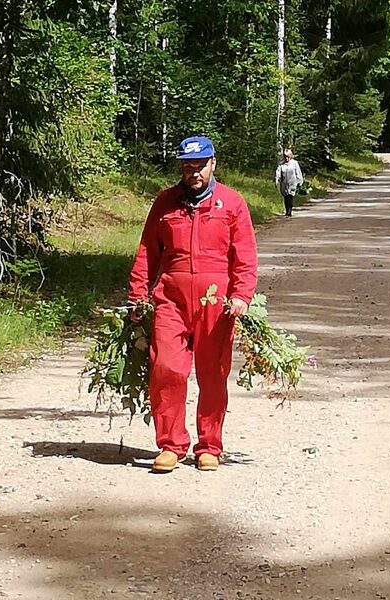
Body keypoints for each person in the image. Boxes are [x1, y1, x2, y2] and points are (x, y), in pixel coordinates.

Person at [128, 136, 258, 473]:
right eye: (187, 166)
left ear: (214, 163)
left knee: (213, 374)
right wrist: (138, 295)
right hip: (171, 298)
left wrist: (241, 295)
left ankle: (209, 446)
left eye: (200, 164)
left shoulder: (231, 203)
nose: (193, 172)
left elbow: (245, 256)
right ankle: (171, 445)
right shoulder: (165, 204)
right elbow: (147, 252)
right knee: (166, 368)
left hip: (216, 302)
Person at [275, 148, 304, 217]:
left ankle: (289, 211)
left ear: (290, 156)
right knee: (285, 197)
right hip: (284, 183)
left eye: (288, 157)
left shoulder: (294, 163)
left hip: (292, 183)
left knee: (290, 197)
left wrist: (300, 181)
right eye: (285, 157)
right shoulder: (281, 164)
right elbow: (278, 173)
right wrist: (277, 180)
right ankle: (286, 210)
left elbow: (298, 173)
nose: (286, 158)